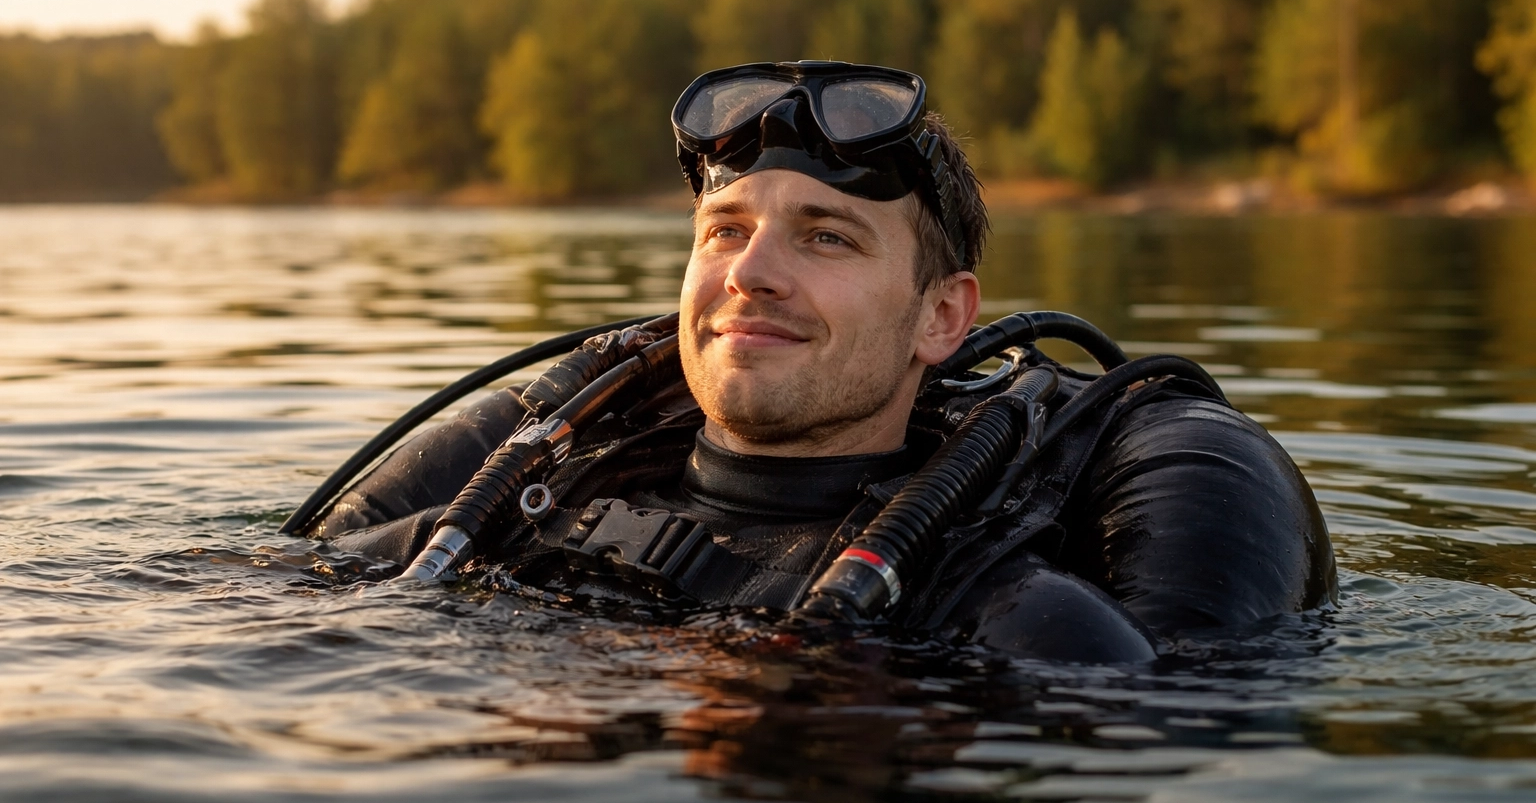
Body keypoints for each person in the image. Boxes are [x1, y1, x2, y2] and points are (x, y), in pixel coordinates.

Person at [305, 61, 1336, 663]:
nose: (753, 272)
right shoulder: (516, 503)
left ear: (941, 319)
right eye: (725, 230)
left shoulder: (1000, 611)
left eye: (827, 236)